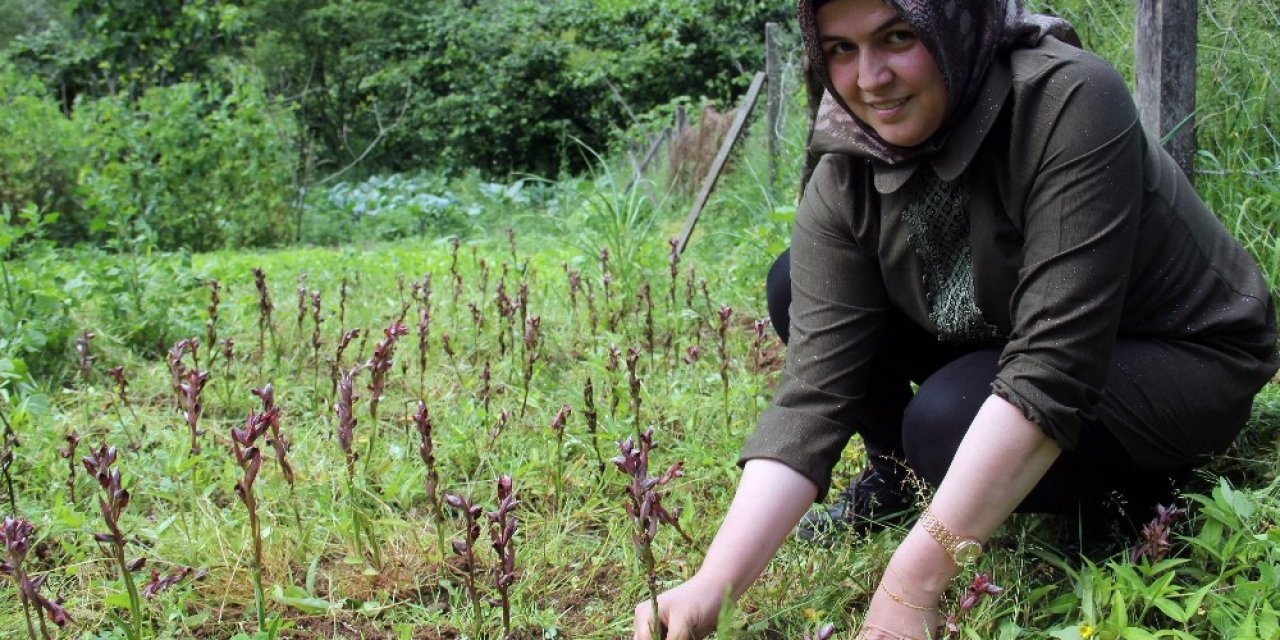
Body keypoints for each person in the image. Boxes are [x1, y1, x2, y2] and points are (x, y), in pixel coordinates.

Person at [632, 0, 1280, 638]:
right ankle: (898, 476)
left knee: (947, 422)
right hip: (1012, 326)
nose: (870, 78)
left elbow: (1055, 363)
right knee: (796, 285)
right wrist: (712, 584)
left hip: (1180, 350)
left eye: (897, 35)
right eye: (841, 49)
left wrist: (909, 587)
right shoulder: (848, 157)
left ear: (953, 22)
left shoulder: (1068, 98)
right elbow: (813, 397)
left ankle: (1138, 485)